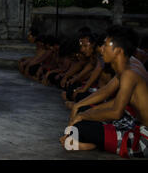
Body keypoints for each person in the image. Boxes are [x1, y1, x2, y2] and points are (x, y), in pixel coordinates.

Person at [61, 25, 148, 158]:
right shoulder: (128, 63)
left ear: (118, 50)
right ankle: (91, 141)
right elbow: (107, 91)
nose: (101, 50)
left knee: (81, 127)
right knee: (81, 117)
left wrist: (82, 115)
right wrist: (79, 107)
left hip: (143, 138)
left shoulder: (129, 73)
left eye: (105, 45)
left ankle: (92, 143)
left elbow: (116, 112)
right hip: (133, 122)